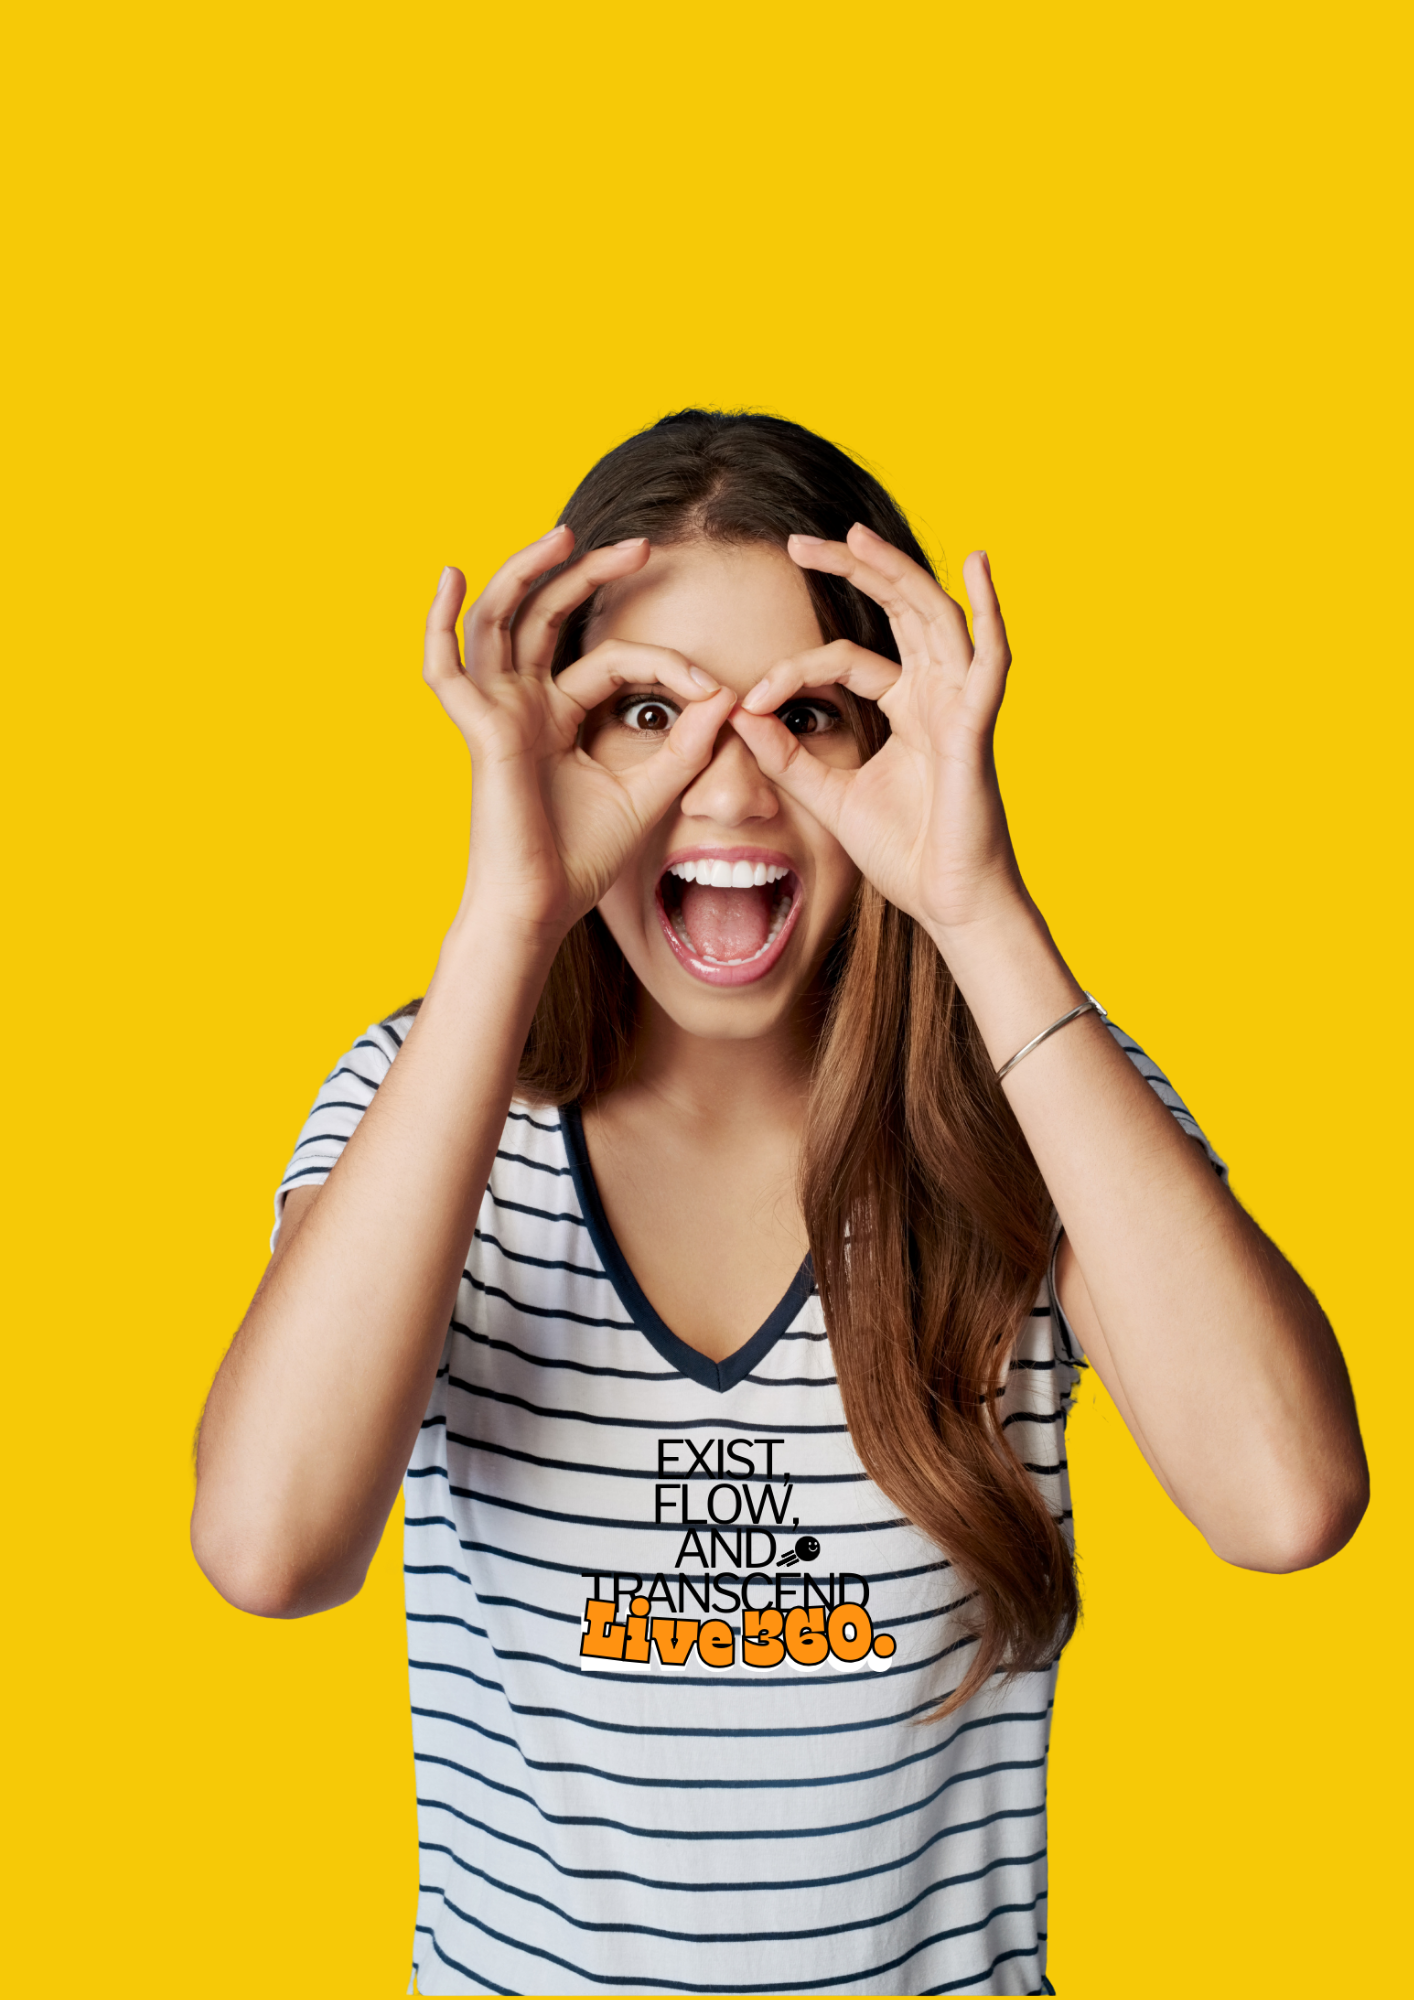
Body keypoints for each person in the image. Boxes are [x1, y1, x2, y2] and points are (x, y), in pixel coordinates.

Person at [191, 410, 1368, 1997]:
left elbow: (1284, 1503)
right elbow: (268, 1550)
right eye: (649, 712)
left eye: (805, 713)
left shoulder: (1035, 1099)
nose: (729, 789)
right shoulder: (436, 1099)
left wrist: (975, 905)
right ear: (557, 742)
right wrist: (507, 921)